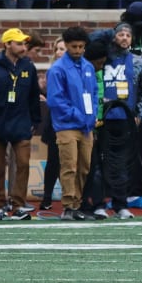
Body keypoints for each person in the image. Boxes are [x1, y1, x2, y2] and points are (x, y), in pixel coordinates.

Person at [0, 26, 40, 220]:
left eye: (23, 43)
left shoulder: (28, 67)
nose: (23, 47)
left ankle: (18, 203)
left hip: (21, 122)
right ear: (7, 44)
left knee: (22, 163)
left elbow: (33, 97)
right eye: (18, 43)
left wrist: (35, 120)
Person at [94, 20, 142, 220]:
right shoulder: (101, 58)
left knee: (121, 166)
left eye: (128, 35)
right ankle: (99, 204)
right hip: (102, 119)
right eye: (121, 34)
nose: (125, 38)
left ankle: (120, 205)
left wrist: (140, 115)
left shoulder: (138, 62)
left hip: (125, 121)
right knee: (98, 164)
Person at [46, 24, 98, 220]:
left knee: (84, 167)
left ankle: (77, 203)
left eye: (81, 47)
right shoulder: (57, 69)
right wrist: (78, 115)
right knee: (69, 166)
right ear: (66, 45)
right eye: (74, 46)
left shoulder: (88, 66)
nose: (78, 50)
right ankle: (68, 205)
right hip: (66, 125)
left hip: (86, 126)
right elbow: (55, 100)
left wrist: (93, 114)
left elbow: (93, 93)